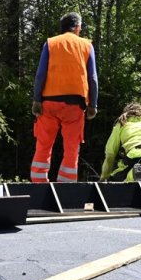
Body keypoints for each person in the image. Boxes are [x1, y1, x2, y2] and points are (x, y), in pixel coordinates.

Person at [30, 12, 99, 183]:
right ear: (77, 28)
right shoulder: (86, 46)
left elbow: (40, 74)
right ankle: (66, 187)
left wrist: (37, 99)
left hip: (49, 103)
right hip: (74, 105)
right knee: (71, 148)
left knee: (44, 144)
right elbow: (93, 78)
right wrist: (93, 105)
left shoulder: (51, 43)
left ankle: (38, 183)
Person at [99, 103, 141, 182]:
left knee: (117, 177)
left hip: (136, 154)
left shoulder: (122, 123)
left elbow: (110, 153)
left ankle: (133, 174)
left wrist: (104, 177)